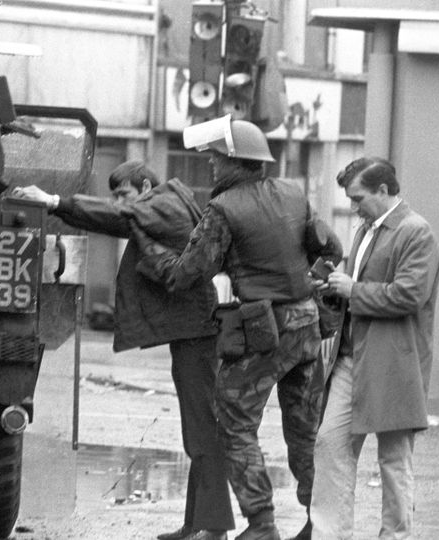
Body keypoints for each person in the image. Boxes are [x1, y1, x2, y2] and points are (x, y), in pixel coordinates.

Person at [131, 117, 342, 540]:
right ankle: (318, 524)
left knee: (234, 425)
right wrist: (307, 281)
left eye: (215, 157)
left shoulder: (223, 209)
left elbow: (188, 273)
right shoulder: (293, 194)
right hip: (306, 326)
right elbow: (332, 249)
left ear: (235, 162)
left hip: (260, 334)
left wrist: (150, 251)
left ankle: (261, 522)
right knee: (303, 431)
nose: (210, 164)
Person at [12, 161, 235, 540]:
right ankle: (198, 523)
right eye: (115, 194)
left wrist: (53, 201)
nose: (118, 200)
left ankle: (213, 528)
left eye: (124, 192)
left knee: (202, 432)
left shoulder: (163, 204)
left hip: (197, 331)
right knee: (198, 430)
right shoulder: (166, 202)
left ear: (145, 185)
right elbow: (122, 215)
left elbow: (118, 216)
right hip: (194, 330)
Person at [309, 157, 439, 539]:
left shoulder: (417, 232)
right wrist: (337, 289)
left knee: (394, 460)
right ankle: (330, 534)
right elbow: (366, 287)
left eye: (358, 198)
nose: (353, 207)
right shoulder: (368, 228)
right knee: (330, 444)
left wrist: (353, 290)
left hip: (395, 363)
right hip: (354, 359)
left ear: (384, 191)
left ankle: (396, 536)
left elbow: (411, 295)